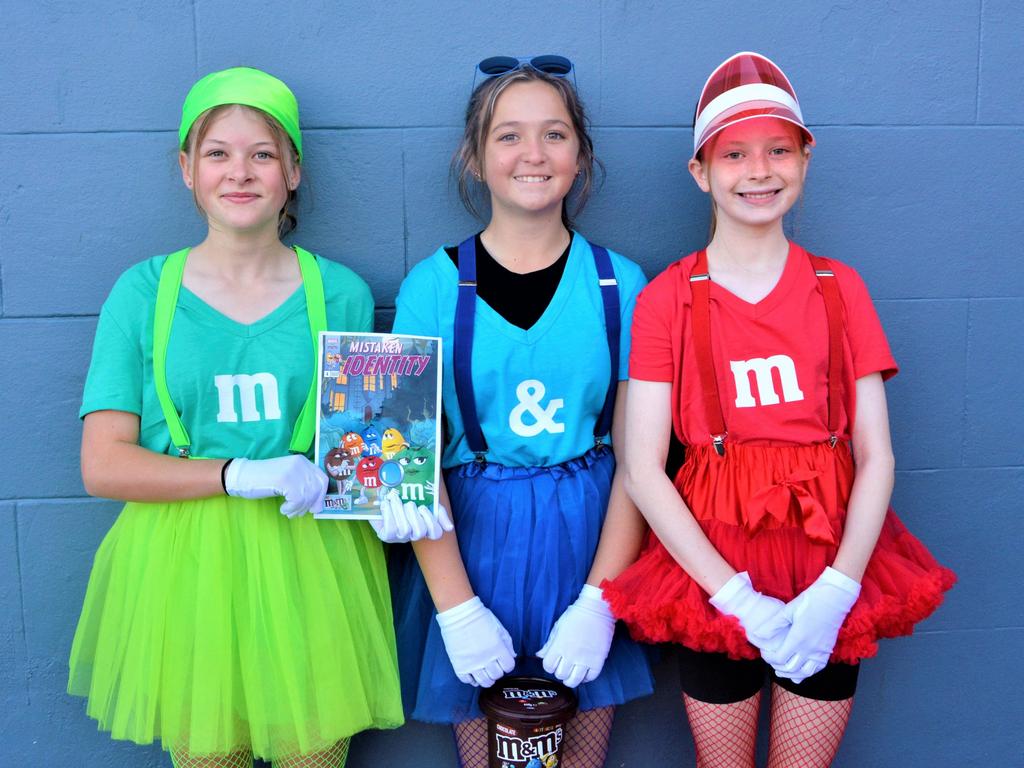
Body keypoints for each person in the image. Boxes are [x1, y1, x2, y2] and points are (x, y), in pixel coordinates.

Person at [67, 66, 448, 768]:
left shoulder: (341, 293)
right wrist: (235, 471)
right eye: (217, 153)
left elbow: (367, 451)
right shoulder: (142, 293)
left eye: (262, 154)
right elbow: (104, 463)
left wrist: (399, 493)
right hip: (183, 569)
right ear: (186, 169)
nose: (239, 173)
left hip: (310, 564)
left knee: (313, 756)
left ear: (293, 171)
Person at [602, 52, 956, 767]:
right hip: (713, 567)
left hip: (830, 556)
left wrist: (839, 589)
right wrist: (735, 596)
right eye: (734, 154)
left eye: (777, 151)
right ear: (701, 171)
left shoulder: (839, 288)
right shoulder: (668, 297)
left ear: (805, 159)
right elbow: (642, 467)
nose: (758, 171)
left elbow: (876, 455)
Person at [389, 56, 654, 768]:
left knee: (579, 757)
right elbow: (400, 462)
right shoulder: (432, 287)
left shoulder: (621, 285)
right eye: (509, 136)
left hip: (591, 536)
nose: (533, 154)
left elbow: (641, 462)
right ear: (475, 157)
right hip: (474, 542)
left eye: (554, 135)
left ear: (580, 155)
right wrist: (457, 608)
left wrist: (601, 600)